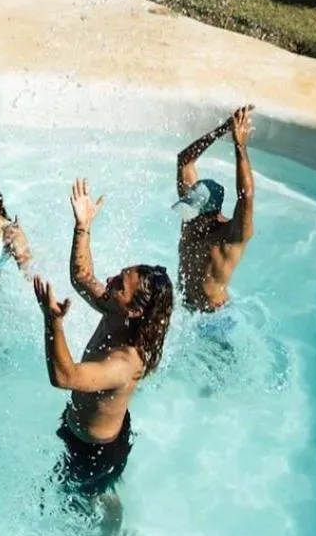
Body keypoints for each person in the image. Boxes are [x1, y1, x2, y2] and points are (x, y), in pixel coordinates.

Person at [33, 178, 174, 508]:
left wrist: (53, 322)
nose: (109, 281)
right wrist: (82, 228)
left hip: (94, 451)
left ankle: (112, 532)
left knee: (78, 501)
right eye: (119, 274)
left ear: (136, 309)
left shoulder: (125, 362)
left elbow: (64, 377)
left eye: (120, 284)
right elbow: (82, 278)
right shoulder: (117, 309)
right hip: (88, 430)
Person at [174, 105, 255, 318]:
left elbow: (246, 196)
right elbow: (184, 160)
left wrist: (240, 146)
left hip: (214, 318)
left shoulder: (231, 237)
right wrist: (222, 130)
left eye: (193, 213)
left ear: (209, 213)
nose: (187, 218)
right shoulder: (191, 218)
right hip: (184, 308)